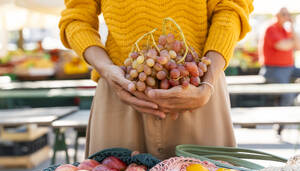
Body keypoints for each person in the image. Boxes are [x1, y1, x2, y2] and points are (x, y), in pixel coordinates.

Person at [59, 0, 253, 160]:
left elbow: (231, 9)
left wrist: (207, 85)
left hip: (198, 91)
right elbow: (76, 19)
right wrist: (107, 70)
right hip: (120, 92)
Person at [259, 7, 300, 106]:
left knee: (289, 95)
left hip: (289, 68)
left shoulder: (286, 30)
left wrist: (293, 27)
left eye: (288, 14)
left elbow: (298, 46)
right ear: (276, 16)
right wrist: (292, 42)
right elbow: (282, 46)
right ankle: (282, 120)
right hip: (273, 69)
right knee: (288, 95)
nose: (287, 17)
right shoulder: (271, 28)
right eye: (284, 14)